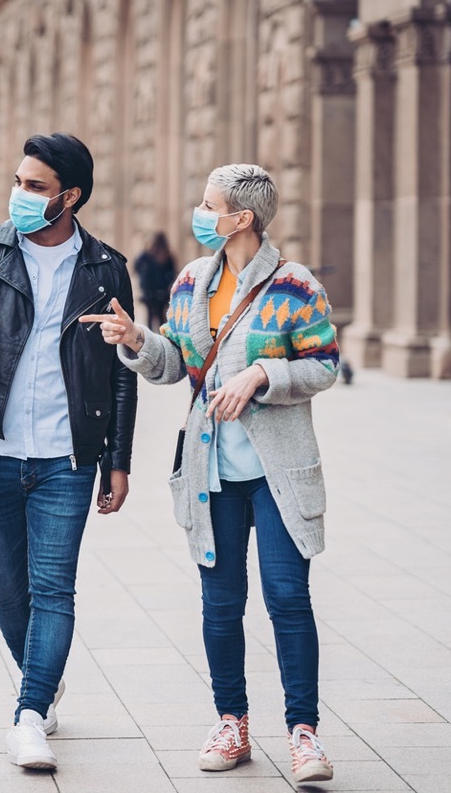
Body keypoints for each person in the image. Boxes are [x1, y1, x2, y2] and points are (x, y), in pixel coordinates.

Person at [82, 164, 338, 785]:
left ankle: (304, 735)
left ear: (241, 218)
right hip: (210, 471)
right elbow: (175, 363)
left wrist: (263, 376)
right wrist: (135, 338)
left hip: (277, 473)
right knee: (221, 604)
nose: (201, 214)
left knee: (287, 597)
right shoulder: (192, 280)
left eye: (209, 205)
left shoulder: (295, 285)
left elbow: (325, 364)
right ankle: (232, 723)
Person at [0, 133, 138, 771]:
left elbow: (123, 369)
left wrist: (118, 460)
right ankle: (40, 681)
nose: (20, 195)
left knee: (54, 589)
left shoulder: (105, 268)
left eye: (36, 186)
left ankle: (28, 713)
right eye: (19, 182)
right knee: (5, 590)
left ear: (69, 197)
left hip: (67, 459)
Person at [133, 231, 177, 332]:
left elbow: (137, 266)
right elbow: (173, 273)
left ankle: (150, 338)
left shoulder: (148, 255)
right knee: (161, 317)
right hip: (162, 292)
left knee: (150, 316)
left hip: (149, 292)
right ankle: (162, 337)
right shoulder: (167, 256)